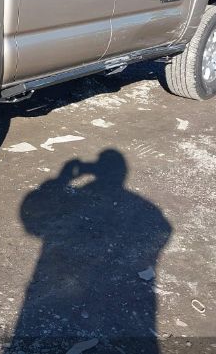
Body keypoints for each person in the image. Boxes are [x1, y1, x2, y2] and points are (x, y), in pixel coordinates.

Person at [10, 149, 171, 353]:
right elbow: (163, 229)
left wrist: (62, 180)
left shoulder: (87, 194)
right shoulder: (147, 208)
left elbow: (32, 226)